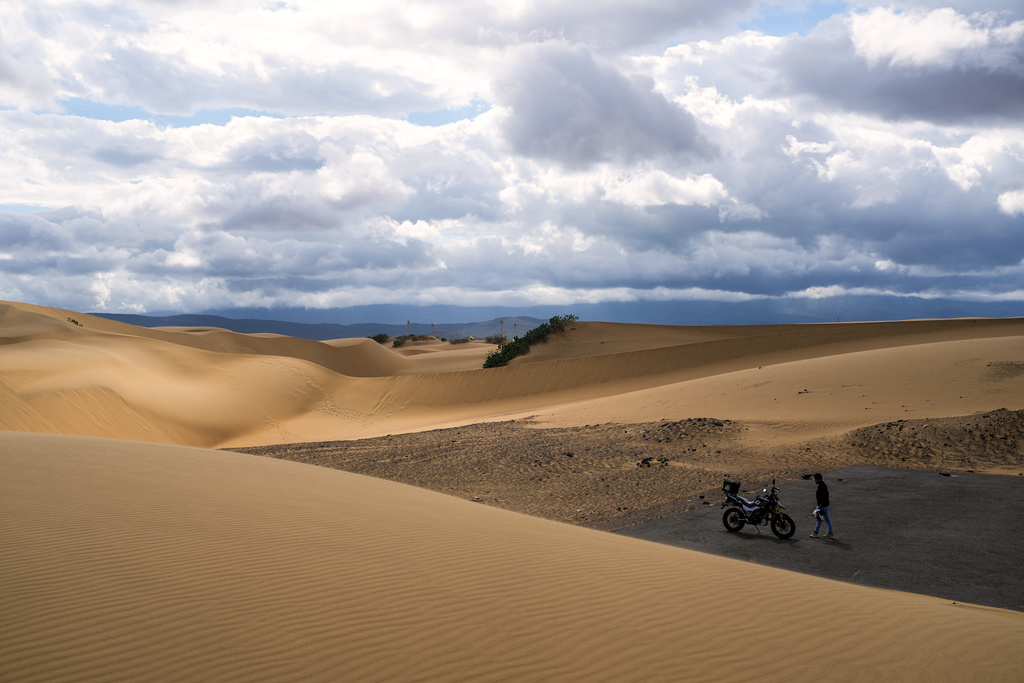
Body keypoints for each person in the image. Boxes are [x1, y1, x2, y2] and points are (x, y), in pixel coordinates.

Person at [809, 473, 834, 539]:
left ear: (820, 479)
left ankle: (816, 532)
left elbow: (824, 497)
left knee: (819, 519)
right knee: (826, 519)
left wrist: (820, 505)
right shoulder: (822, 485)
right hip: (825, 505)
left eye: (816, 479)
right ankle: (830, 532)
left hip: (823, 506)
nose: (815, 481)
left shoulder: (822, 486)